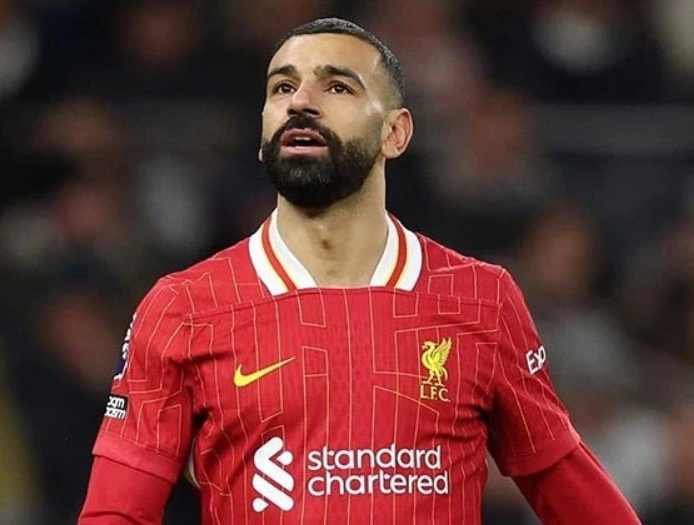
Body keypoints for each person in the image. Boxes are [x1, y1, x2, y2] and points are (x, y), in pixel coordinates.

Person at [79, 18, 640, 524]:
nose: (301, 102)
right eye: (282, 88)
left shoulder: (480, 299)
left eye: (338, 87)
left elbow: (564, 481)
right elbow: (116, 513)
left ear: (396, 133)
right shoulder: (184, 308)